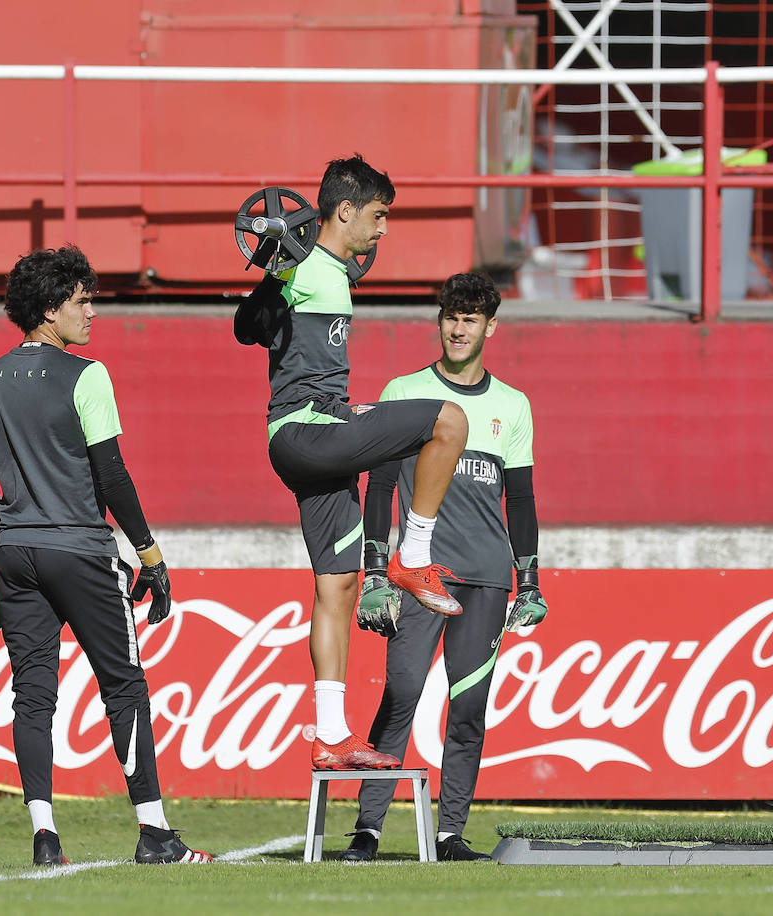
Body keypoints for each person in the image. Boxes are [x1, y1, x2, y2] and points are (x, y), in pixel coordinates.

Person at [0, 246, 212, 867]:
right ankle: (154, 833)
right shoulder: (87, 375)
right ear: (50, 309)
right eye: (82, 299)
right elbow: (112, 476)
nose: (92, 311)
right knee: (124, 684)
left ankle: (45, 837)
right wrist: (150, 555)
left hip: (16, 552)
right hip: (79, 547)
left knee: (33, 694)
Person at [234, 155, 470, 770]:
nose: (383, 230)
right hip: (304, 430)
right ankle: (413, 558)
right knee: (448, 419)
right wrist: (272, 271)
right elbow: (246, 326)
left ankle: (331, 736)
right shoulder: (303, 263)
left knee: (335, 588)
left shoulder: (334, 271)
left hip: (315, 438)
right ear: (344, 210)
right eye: (378, 215)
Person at [340, 273, 547, 863]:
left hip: (486, 578)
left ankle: (452, 833)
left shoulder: (515, 405)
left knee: (469, 708)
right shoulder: (404, 391)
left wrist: (529, 578)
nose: (459, 329)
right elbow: (377, 487)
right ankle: (368, 829)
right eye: (451, 317)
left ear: (490, 327)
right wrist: (375, 572)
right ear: (440, 321)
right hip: (417, 576)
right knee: (401, 692)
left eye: (471, 319)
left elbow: (523, 502)